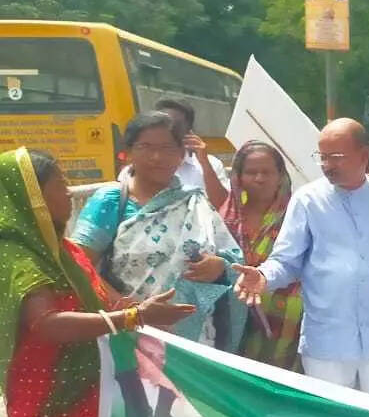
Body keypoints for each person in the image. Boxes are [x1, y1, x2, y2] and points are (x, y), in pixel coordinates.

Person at [2, 147, 195, 417]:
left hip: (95, 393)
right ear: (32, 195)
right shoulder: (18, 255)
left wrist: (139, 307)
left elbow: (101, 302)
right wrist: (134, 316)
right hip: (52, 404)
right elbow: (47, 324)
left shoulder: (63, 249)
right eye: (59, 186)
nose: (69, 195)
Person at [232, 118, 369, 401]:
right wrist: (262, 277)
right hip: (328, 341)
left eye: (335, 157)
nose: (326, 165)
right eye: (322, 157)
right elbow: (286, 261)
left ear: (363, 154)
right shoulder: (307, 200)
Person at [73, 111, 246, 350]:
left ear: (181, 154)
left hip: (195, 337)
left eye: (168, 148)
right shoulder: (111, 200)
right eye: (146, 147)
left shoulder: (195, 201)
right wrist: (130, 310)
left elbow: (234, 261)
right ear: (129, 151)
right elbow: (78, 264)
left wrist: (219, 267)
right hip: (129, 331)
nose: (157, 157)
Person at [219, 142, 303, 372]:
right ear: (238, 177)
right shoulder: (227, 217)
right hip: (237, 315)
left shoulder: (298, 213)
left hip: (288, 320)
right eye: (251, 172)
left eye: (267, 172)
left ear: (280, 176)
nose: (259, 179)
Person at [117, 98, 231, 208]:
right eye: (161, 123)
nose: (166, 129)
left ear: (189, 129)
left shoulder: (210, 164)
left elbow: (222, 206)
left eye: (175, 125)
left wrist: (205, 163)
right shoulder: (134, 170)